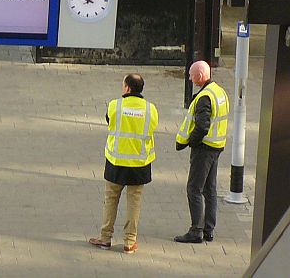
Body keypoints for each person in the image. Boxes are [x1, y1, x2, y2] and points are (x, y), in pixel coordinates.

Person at [88, 73, 158, 255]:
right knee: (134, 202)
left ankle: (105, 238)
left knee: (111, 200)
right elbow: (152, 127)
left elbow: (109, 121)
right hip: (140, 164)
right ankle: (129, 242)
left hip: (116, 162)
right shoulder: (151, 109)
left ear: (127, 88)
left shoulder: (115, 105)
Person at [174, 60, 229, 244]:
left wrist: (192, 142)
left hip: (204, 149)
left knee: (194, 188)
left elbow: (202, 125)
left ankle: (196, 231)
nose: (189, 78)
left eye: (190, 75)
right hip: (217, 146)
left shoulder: (204, 97)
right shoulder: (219, 92)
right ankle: (208, 229)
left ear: (198, 76)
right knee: (210, 189)